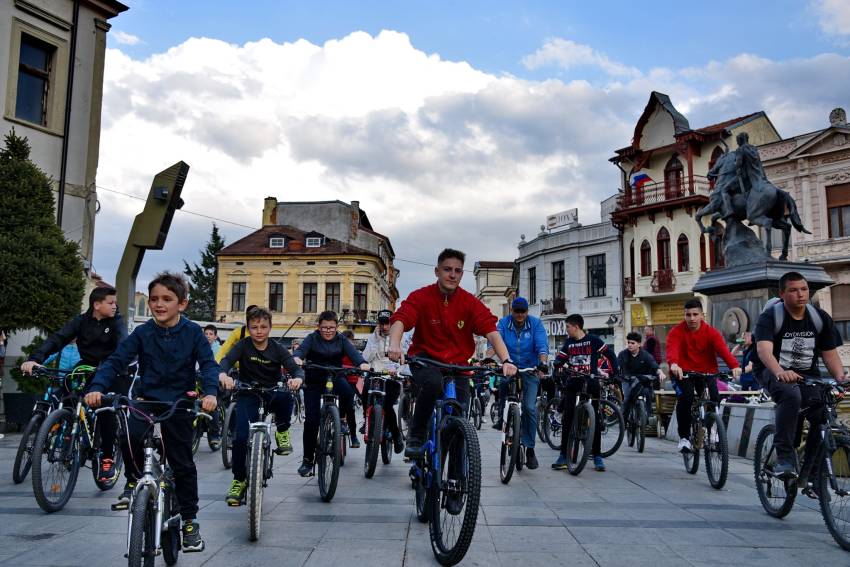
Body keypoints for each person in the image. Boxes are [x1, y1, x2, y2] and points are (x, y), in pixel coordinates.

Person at [85, 273, 219, 553]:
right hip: (147, 400)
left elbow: (208, 365)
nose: (159, 304)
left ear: (182, 304)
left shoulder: (193, 332)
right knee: (129, 435)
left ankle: (190, 522)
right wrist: (97, 387)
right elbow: (117, 360)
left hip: (179, 403)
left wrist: (210, 393)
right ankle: (134, 480)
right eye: (155, 299)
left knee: (182, 464)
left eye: (167, 299)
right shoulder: (143, 333)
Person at [387, 248, 517, 458]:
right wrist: (394, 344)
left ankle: (456, 482)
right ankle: (416, 434)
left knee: (459, 422)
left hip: (458, 366)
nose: (453, 275)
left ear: (462, 274)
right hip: (425, 361)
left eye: (457, 270)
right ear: (437, 271)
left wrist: (506, 360)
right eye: (447, 269)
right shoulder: (421, 296)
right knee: (433, 384)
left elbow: (491, 330)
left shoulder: (469, 302)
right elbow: (402, 318)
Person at [22, 286, 128, 483]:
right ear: (97, 305)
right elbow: (58, 339)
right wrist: (35, 359)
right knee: (66, 394)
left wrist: (112, 367)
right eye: (111, 303)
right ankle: (68, 429)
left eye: (115, 303)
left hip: (112, 369)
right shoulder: (81, 321)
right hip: (86, 367)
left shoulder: (117, 323)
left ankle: (107, 457)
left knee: (105, 410)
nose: (115, 306)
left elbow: (123, 345)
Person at [753, 272, 847, 479]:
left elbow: (830, 355)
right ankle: (785, 458)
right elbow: (764, 352)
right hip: (772, 370)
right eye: (794, 290)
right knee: (791, 395)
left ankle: (811, 471)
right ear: (782, 293)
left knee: (823, 410)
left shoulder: (819, 318)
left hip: (807, 374)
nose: (800, 294)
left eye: (804, 289)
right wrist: (780, 372)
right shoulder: (770, 318)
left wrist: (841, 379)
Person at [218, 306, 303, 505]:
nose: (259, 331)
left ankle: (282, 432)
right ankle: (239, 480)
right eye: (254, 327)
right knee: (240, 438)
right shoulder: (243, 345)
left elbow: (295, 369)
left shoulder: (277, 348)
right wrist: (223, 374)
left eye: (263, 327)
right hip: (248, 392)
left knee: (286, 397)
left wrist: (297, 379)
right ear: (248, 328)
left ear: (270, 328)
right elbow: (226, 361)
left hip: (272, 390)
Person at [293, 311, 369, 477]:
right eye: (324, 327)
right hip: (314, 379)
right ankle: (307, 460)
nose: (328, 330)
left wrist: (362, 363)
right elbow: (301, 351)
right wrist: (297, 358)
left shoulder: (341, 339)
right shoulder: (312, 338)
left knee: (348, 393)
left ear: (337, 327)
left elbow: (354, 354)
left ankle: (341, 419)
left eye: (331, 327)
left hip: (335, 376)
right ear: (318, 327)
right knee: (311, 420)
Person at [667, 299, 741, 453]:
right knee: (686, 398)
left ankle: (711, 428)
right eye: (688, 315)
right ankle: (684, 438)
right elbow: (672, 350)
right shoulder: (677, 331)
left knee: (714, 397)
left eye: (695, 314)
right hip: (683, 372)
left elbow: (723, 351)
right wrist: (674, 364)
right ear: (684, 315)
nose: (692, 318)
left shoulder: (711, 332)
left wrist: (734, 366)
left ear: (702, 315)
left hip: (706, 372)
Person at [552, 313, 618, 472]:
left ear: (575, 327)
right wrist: (558, 363)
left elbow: (610, 354)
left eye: (567, 326)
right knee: (567, 419)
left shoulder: (594, 340)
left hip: (591, 382)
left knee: (593, 420)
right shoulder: (568, 343)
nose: (566, 330)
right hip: (573, 383)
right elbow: (560, 358)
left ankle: (597, 456)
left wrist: (614, 373)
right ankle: (563, 455)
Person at [489, 297, 548, 470]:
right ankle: (502, 417)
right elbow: (495, 341)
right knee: (503, 386)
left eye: (523, 311)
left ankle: (530, 449)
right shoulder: (504, 323)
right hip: (510, 366)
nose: (520, 315)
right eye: (517, 311)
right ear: (512, 311)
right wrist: (488, 356)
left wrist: (542, 362)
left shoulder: (535, 324)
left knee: (529, 408)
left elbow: (542, 345)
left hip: (530, 369)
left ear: (527, 312)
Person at [361, 309, 408, 454]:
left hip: (392, 376)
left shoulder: (400, 337)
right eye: (382, 323)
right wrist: (375, 341)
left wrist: (399, 370)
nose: (385, 327)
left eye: (387, 323)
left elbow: (405, 357)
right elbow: (365, 357)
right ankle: (366, 419)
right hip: (376, 373)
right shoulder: (372, 337)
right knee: (365, 391)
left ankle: (396, 436)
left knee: (387, 406)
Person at [617, 332, 665, 422]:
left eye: (633, 343)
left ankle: (647, 416)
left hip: (641, 380)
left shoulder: (645, 355)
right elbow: (617, 367)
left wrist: (660, 372)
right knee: (627, 398)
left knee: (648, 393)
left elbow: (653, 364)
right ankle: (623, 420)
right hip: (627, 380)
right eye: (629, 343)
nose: (630, 345)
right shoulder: (622, 354)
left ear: (639, 344)